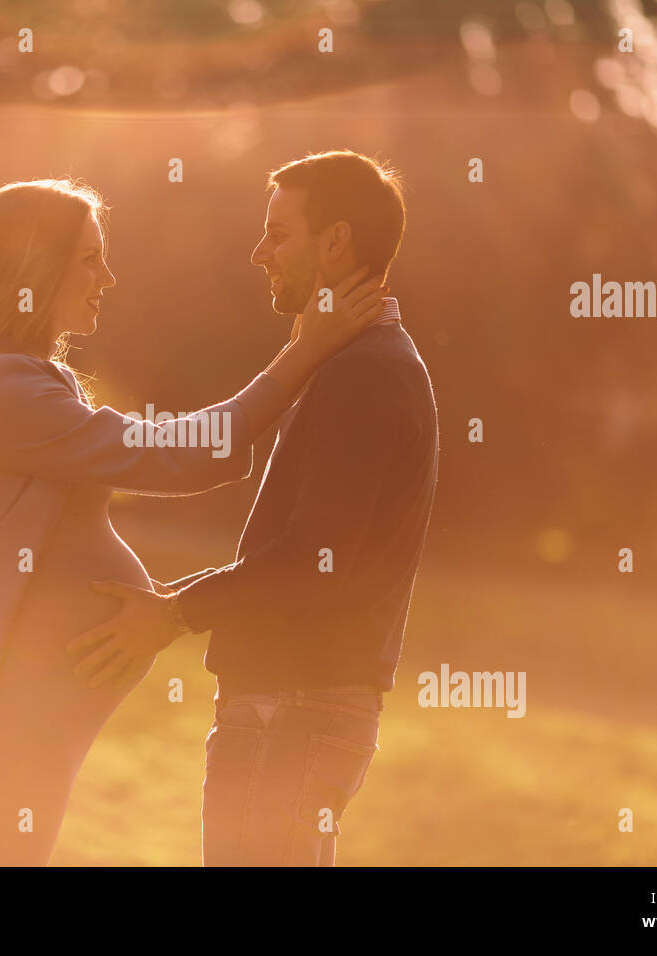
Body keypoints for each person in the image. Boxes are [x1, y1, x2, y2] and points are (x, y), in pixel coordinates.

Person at [0, 177, 387, 865]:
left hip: (33, 690)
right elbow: (171, 456)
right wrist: (305, 351)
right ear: (35, 268)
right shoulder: (1, 388)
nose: (109, 277)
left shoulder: (28, 378)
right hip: (10, 684)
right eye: (90, 258)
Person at [69, 150, 439, 866]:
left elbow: (312, 562)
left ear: (335, 242)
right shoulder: (357, 362)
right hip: (295, 712)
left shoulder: (365, 374)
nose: (258, 252)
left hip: (291, 712)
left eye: (278, 233)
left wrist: (173, 612)